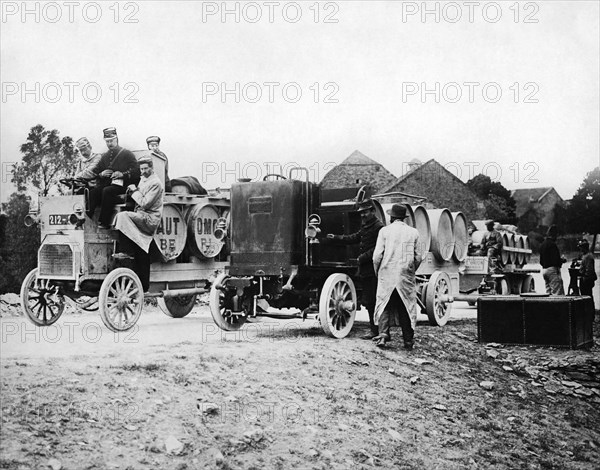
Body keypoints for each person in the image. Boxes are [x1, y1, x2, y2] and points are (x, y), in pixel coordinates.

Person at [326, 199, 384, 339]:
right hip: (365, 268)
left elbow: (378, 249)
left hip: (374, 269)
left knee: (373, 301)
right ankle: (375, 330)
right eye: (361, 213)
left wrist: (362, 258)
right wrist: (337, 238)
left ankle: (376, 331)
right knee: (369, 301)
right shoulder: (366, 226)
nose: (363, 215)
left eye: (365, 212)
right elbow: (355, 238)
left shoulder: (379, 227)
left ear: (372, 211)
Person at [372, 204, 422, 349]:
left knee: (384, 304)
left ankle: (383, 335)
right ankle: (408, 340)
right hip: (405, 275)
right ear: (403, 218)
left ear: (392, 217)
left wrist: (378, 271)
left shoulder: (384, 231)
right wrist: (411, 270)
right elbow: (418, 256)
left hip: (386, 274)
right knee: (405, 306)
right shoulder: (413, 233)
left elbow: (376, 256)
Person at [112, 156, 164, 292]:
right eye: (141, 169)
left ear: (151, 168)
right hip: (141, 215)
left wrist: (134, 190)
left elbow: (145, 203)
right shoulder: (144, 179)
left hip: (149, 218)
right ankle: (142, 284)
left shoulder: (156, 183)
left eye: (146, 168)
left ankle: (125, 249)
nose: (143, 171)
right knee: (141, 249)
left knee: (122, 216)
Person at [87, 128, 140, 228]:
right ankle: (88, 217)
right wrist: (101, 174)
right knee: (93, 192)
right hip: (109, 185)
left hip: (124, 186)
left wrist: (122, 174)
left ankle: (104, 222)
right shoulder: (105, 156)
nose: (109, 143)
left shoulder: (127, 154)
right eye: (107, 141)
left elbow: (136, 170)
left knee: (107, 191)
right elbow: (96, 171)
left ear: (117, 139)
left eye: (111, 141)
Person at [540, 224, 566, 295]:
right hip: (553, 271)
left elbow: (541, 261)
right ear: (554, 234)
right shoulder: (552, 245)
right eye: (557, 235)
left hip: (545, 270)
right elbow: (555, 261)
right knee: (557, 293)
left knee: (548, 293)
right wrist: (562, 260)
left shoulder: (542, 244)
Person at [578, 240, 596, 310]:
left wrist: (584, 276)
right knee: (585, 296)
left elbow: (589, 270)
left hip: (587, 279)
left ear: (583, 247)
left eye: (581, 247)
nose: (580, 249)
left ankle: (590, 313)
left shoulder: (588, 256)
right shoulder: (585, 255)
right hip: (585, 278)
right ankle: (587, 312)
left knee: (587, 297)